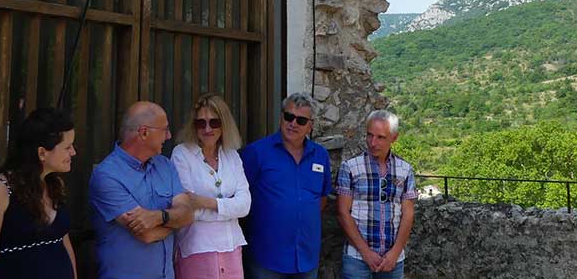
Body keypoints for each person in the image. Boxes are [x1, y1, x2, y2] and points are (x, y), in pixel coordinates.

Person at [89, 102, 195, 279]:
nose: (168, 136)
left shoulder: (166, 166)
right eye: (165, 129)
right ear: (144, 132)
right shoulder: (106, 176)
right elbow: (147, 234)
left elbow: (188, 214)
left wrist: (159, 217)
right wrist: (176, 222)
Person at [0, 108, 78, 279]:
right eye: (67, 147)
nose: (73, 152)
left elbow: (63, 241)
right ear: (42, 152)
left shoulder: (54, 185)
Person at [241, 93, 331, 279]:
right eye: (289, 116)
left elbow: (321, 199)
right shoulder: (256, 153)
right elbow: (240, 197)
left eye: (301, 120)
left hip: (306, 256)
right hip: (267, 258)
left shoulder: (321, 155)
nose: (293, 123)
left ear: (310, 125)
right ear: (281, 117)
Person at [170, 94, 250, 279]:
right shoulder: (181, 155)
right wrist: (229, 208)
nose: (207, 129)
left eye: (214, 123)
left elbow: (245, 205)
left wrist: (205, 202)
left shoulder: (232, 156)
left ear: (224, 124)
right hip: (196, 248)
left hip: (231, 247)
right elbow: (187, 211)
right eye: (201, 123)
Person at [336, 110, 418, 279]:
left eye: (380, 137)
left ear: (394, 138)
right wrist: (366, 252)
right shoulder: (350, 167)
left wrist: (395, 253)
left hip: (392, 260)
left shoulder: (405, 170)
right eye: (369, 135)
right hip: (356, 259)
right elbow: (343, 213)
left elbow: (408, 214)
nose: (373, 143)